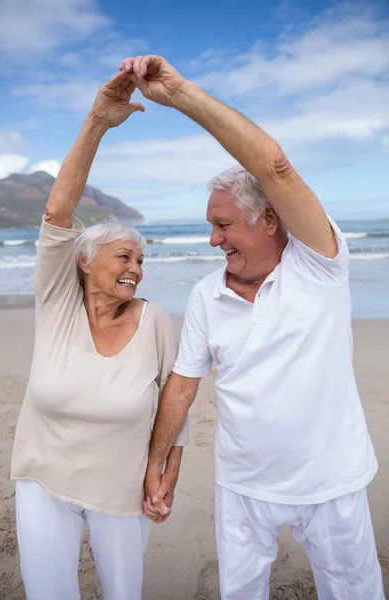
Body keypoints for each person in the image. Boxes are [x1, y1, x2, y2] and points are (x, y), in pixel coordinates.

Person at [121, 56, 385, 599]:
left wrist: (183, 95)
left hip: (330, 481)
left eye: (222, 225)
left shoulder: (320, 262)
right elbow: (183, 383)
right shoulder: (205, 295)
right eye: (210, 227)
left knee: (355, 592)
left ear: (268, 219)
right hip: (242, 485)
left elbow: (276, 168)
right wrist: (158, 463)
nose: (213, 241)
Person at [10, 69, 188, 600]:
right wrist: (96, 124)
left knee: (124, 593)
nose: (135, 267)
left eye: (142, 259)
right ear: (85, 263)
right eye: (123, 256)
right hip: (42, 479)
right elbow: (57, 212)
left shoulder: (154, 320)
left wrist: (165, 473)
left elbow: (174, 408)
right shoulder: (58, 303)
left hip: (120, 486)